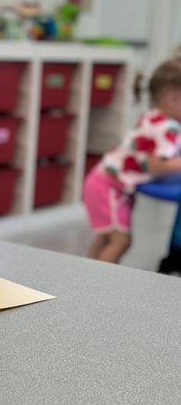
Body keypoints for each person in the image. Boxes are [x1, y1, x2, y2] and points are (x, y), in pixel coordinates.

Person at [82, 53, 181, 264]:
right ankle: (101, 283)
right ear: (173, 98)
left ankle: (88, 275)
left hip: (101, 180)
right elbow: (156, 166)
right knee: (120, 241)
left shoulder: (154, 115)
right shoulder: (169, 127)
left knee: (106, 237)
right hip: (109, 187)